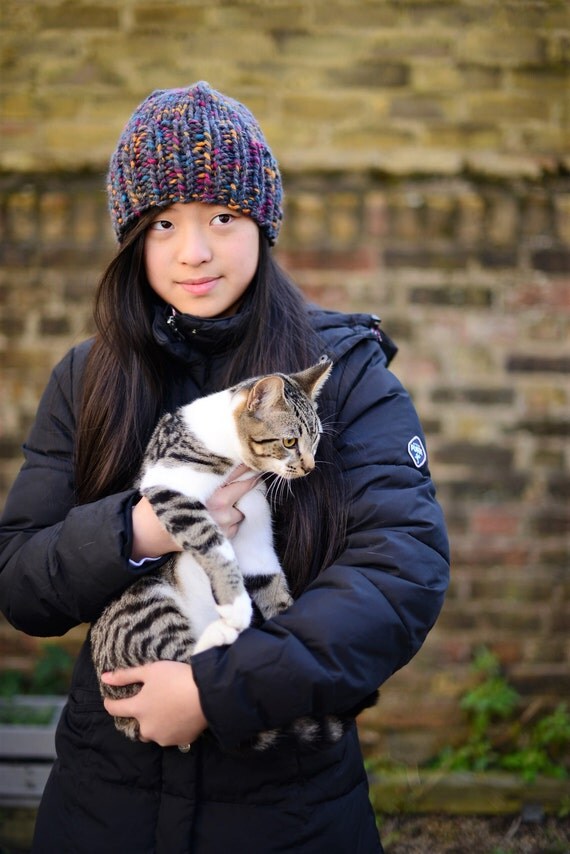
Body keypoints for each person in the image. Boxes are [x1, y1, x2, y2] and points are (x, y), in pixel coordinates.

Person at [0, 82, 449, 853]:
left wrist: (218, 691)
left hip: (292, 812)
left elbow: (397, 574)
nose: (193, 251)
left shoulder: (341, 375)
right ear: (132, 236)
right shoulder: (88, 377)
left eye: (222, 217)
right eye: (163, 223)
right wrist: (139, 527)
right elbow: (21, 581)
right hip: (103, 809)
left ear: (262, 224)